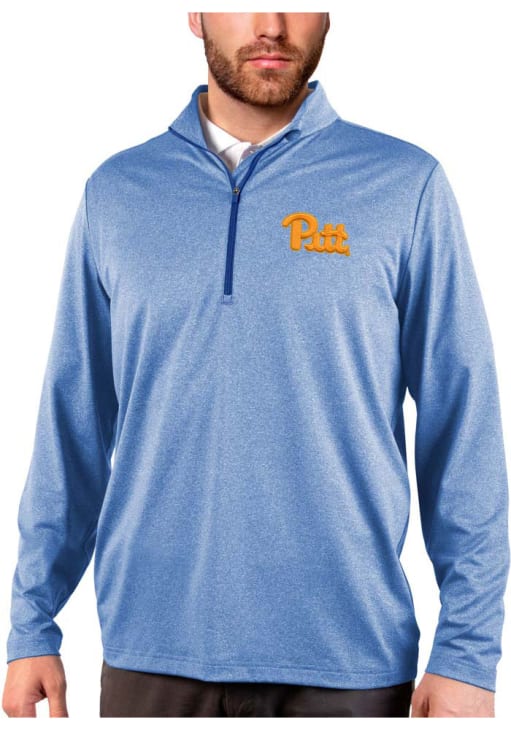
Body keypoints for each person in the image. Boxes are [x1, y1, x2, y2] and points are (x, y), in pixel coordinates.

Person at [2, 11, 509, 719]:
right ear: (195, 13)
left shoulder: (403, 184)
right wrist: (32, 622)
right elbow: (72, 423)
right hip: (151, 654)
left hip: (350, 659)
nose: (271, 24)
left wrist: (466, 652)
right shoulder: (117, 192)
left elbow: (463, 424)